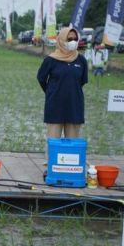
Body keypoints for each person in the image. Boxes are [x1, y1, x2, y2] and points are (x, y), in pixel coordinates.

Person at [37, 28, 88, 162]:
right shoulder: (51, 60)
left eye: (75, 39)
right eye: (69, 39)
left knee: (72, 142)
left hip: (74, 105)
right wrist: (51, 92)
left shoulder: (81, 60)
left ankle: (69, 166)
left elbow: (82, 81)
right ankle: (52, 165)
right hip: (55, 105)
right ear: (62, 40)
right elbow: (41, 78)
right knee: (53, 140)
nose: (73, 42)